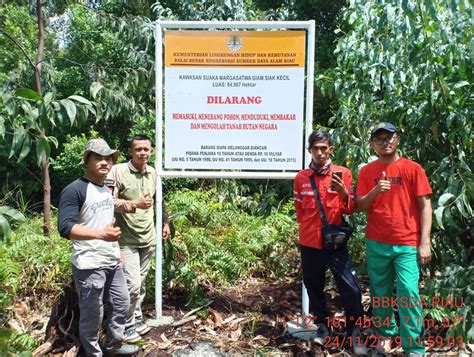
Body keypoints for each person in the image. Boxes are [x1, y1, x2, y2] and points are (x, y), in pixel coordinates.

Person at [356, 122, 432, 356]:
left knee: (409, 292)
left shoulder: (412, 168)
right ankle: (385, 335)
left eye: (389, 137)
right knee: (380, 293)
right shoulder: (367, 172)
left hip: (407, 242)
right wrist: (376, 190)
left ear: (397, 140)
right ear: (372, 145)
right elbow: (359, 205)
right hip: (377, 241)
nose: (385, 142)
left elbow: (425, 206)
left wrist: (425, 241)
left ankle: (414, 347)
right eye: (379, 139)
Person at [57, 139, 139, 356]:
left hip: (111, 260)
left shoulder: (105, 189)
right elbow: (65, 227)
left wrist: (117, 248)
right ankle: (93, 352)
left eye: (108, 158)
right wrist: (101, 235)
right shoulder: (75, 190)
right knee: (93, 313)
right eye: (98, 157)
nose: (104, 162)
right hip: (89, 263)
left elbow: (107, 224)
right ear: (87, 161)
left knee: (122, 303)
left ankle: (113, 345)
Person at [294, 131, 365, 353]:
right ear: (310, 151)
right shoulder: (301, 178)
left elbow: (351, 209)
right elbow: (299, 211)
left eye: (324, 148)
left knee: (351, 288)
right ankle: (323, 328)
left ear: (330, 150)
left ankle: (355, 330)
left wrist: (344, 194)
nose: (320, 152)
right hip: (310, 242)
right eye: (316, 148)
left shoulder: (343, 173)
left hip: (336, 244)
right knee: (313, 287)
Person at [106, 135, 170, 343]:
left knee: (140, 283)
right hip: (125, 239)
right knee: (131, 285)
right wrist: (133, 204)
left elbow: (159, 200)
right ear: (130, 151)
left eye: (146, 149)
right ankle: (123, 326)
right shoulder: (118, 171)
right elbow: (107, 201)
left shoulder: (153, 173)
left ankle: (136, 317)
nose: (143, 153)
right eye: (138, 149)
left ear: (151, 151)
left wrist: (165, 223)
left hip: (148, 237)